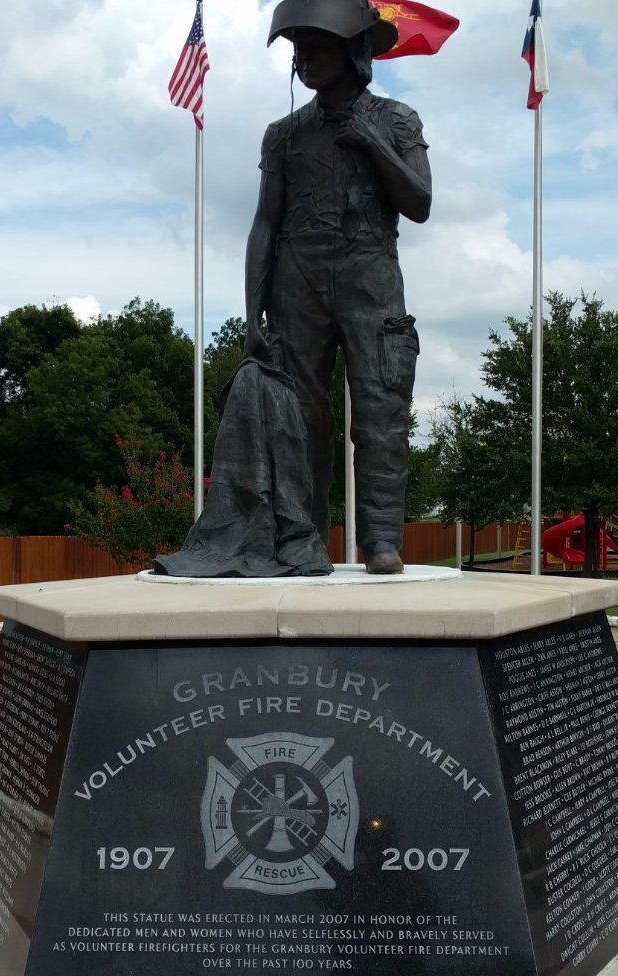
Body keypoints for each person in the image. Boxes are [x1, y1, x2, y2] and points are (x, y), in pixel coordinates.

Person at [244, 0, 431, 574]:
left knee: (380, 406)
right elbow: (265, 223)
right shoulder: (283, 134)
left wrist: (372, 143)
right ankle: (301, 538)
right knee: (300, 415)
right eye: (298, 50)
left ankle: (380, 540)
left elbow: (420, 202)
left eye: (316, 47)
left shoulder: (397, 118)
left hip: (370, 274)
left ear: (354, 52)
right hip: (296, 279)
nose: (303, 60)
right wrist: (253, 312)